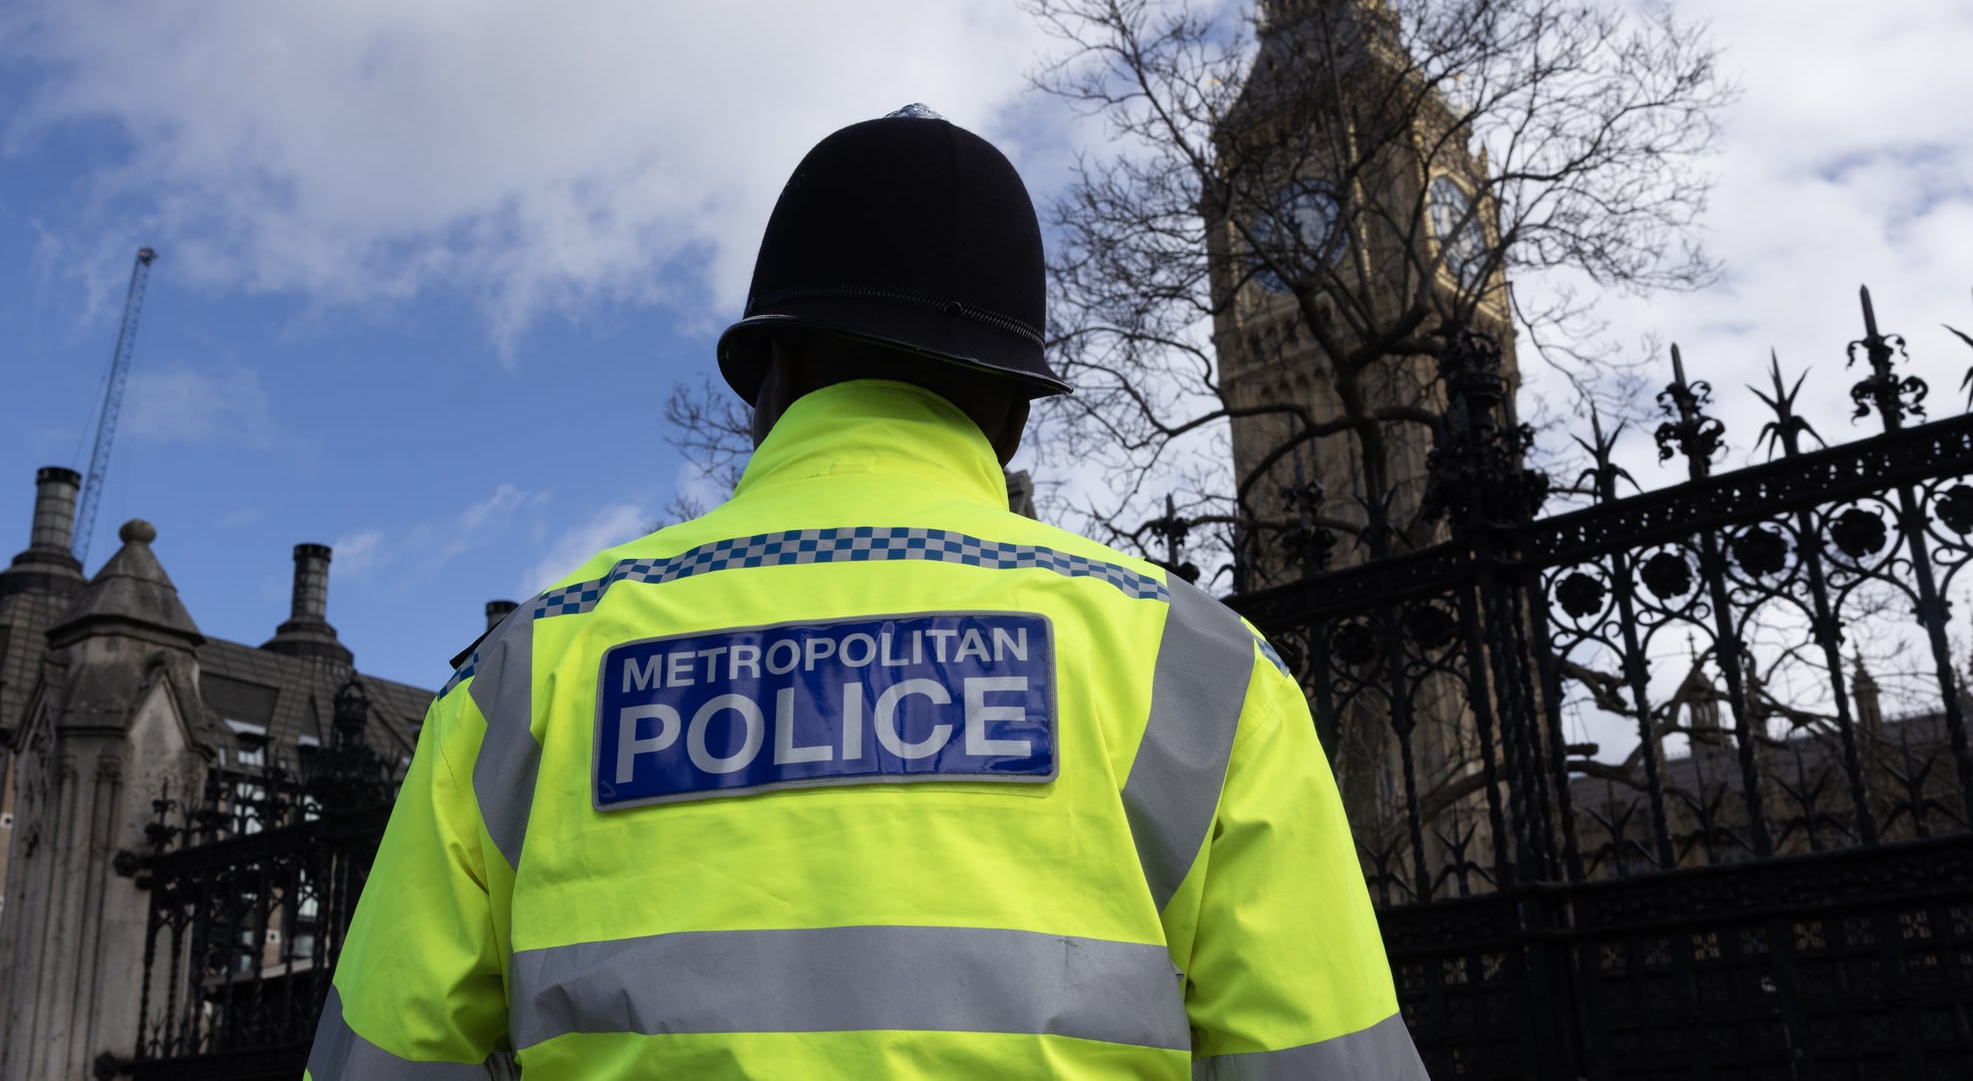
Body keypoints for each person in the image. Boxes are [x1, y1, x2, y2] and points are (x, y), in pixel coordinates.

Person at [305, 106, 1426, 1079]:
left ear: (770, 376)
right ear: (1014, 409)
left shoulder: (529, 676)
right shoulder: (1202, 674)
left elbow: (386, 1057)